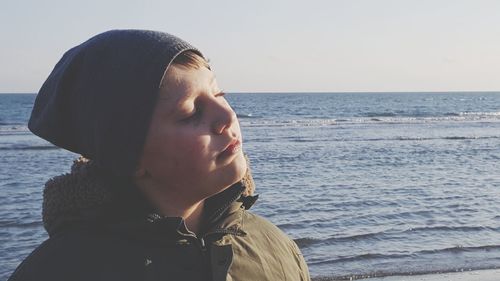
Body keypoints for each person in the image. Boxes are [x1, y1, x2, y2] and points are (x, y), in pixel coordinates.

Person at [8, 30, 310, 281]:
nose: (227, 115)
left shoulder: (275, 247)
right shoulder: (60, 271)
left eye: (219, 94)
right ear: (130, 155)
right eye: (192, 112)